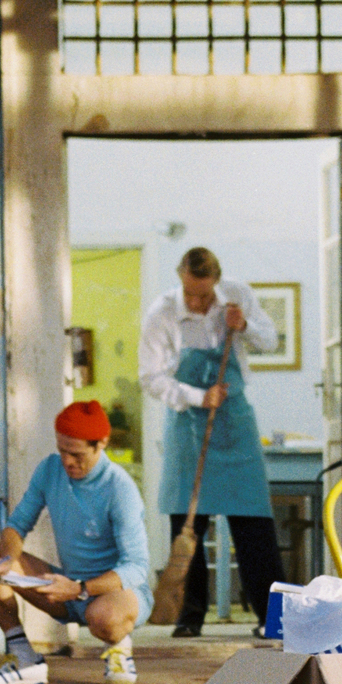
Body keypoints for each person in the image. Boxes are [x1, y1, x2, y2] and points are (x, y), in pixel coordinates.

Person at [139, 248, 285, 637]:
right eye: (190, 293)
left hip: (234, 422)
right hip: (188, 423)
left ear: (216, 282)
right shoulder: (162, 312)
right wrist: (197, 396)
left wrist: (246, 326)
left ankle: (273, 619)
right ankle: (189, 616)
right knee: (187, 522)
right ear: (180, 279)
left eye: (204, 295)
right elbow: (150, 377)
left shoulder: (237, 295)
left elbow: (270, 340)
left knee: (253, 521)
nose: (197, 302)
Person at [0, 401, 152, 684]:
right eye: (62, 450)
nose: (67, 461)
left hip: (114, 596)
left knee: (104, 617)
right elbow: (16, 525)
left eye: (76, 454)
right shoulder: (50, 470)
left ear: (101, 444)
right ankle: (24, 659)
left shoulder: (120, 487)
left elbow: (137, 567)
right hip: (66, 588)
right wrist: (7, 558)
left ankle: (119, 648)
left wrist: (80, 588)